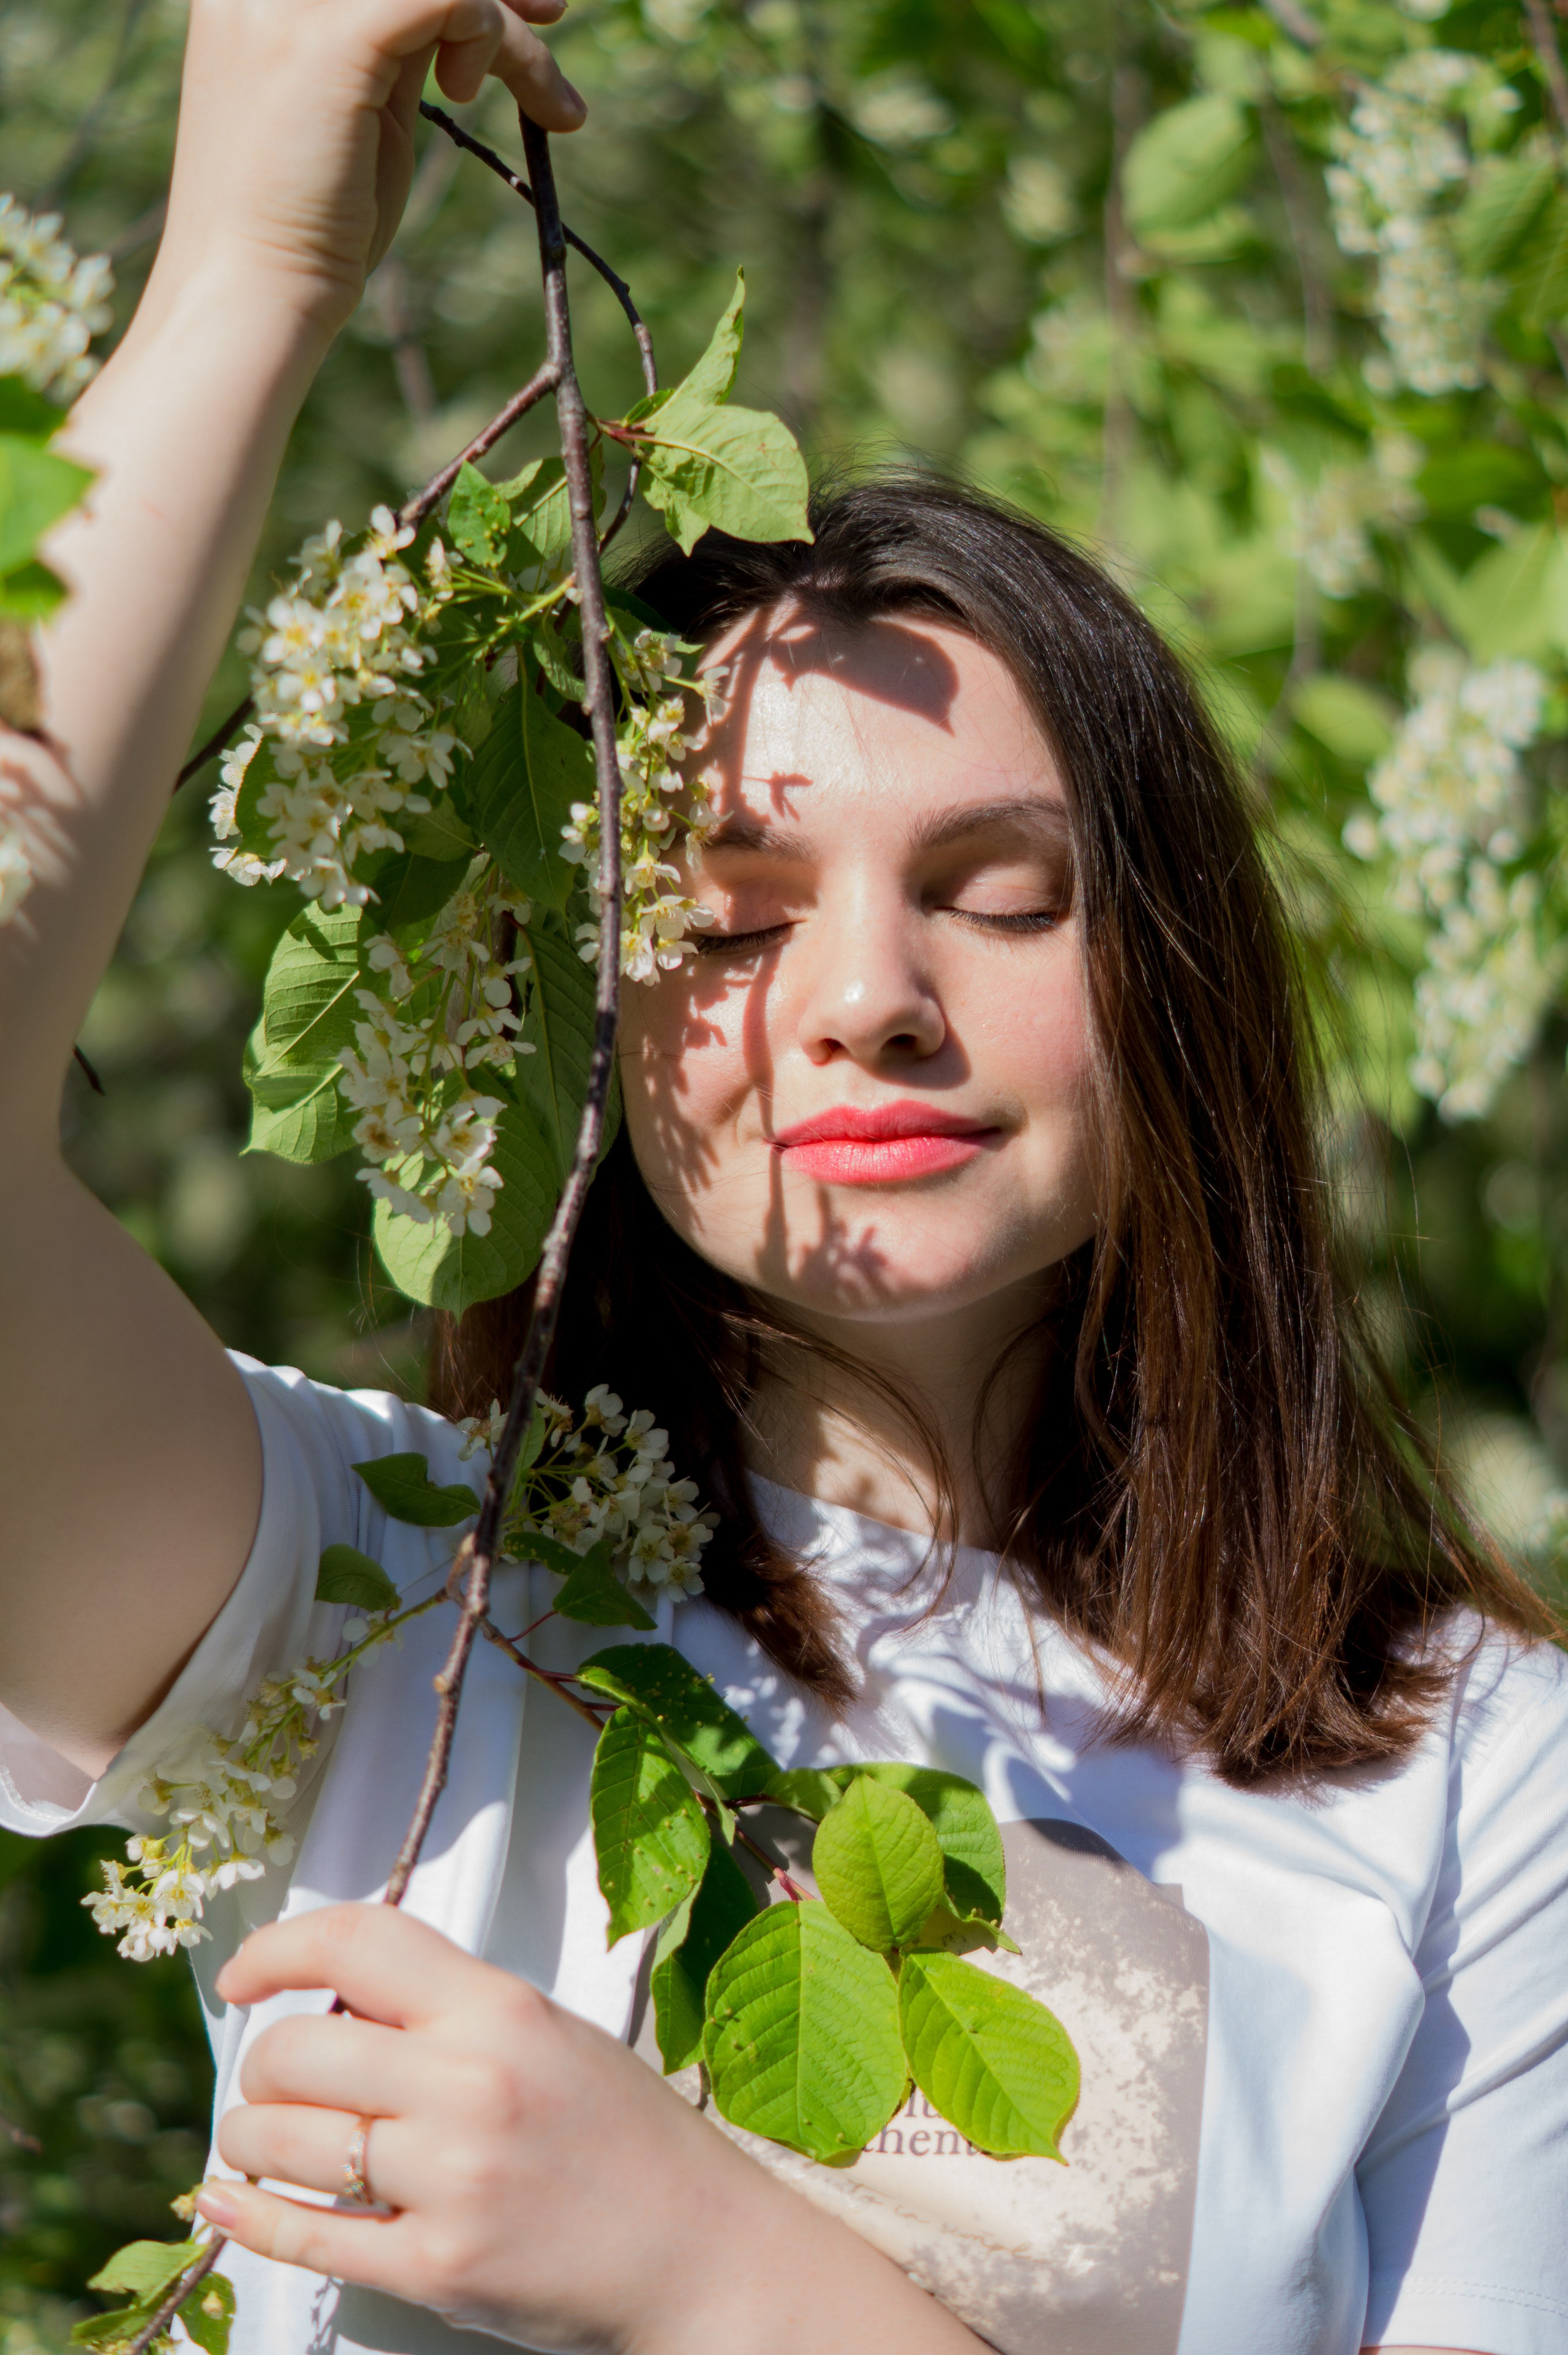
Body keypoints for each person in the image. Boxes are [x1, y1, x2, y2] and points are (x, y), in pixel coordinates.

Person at [1, 3, 1564, 2351]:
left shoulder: (1473, 1775)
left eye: (1005, 894)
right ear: (596, 1007)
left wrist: (702, 2264)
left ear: (1179, 988)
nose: (865, 999)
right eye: (726, 916)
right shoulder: (373, 1600)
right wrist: (246, 263)